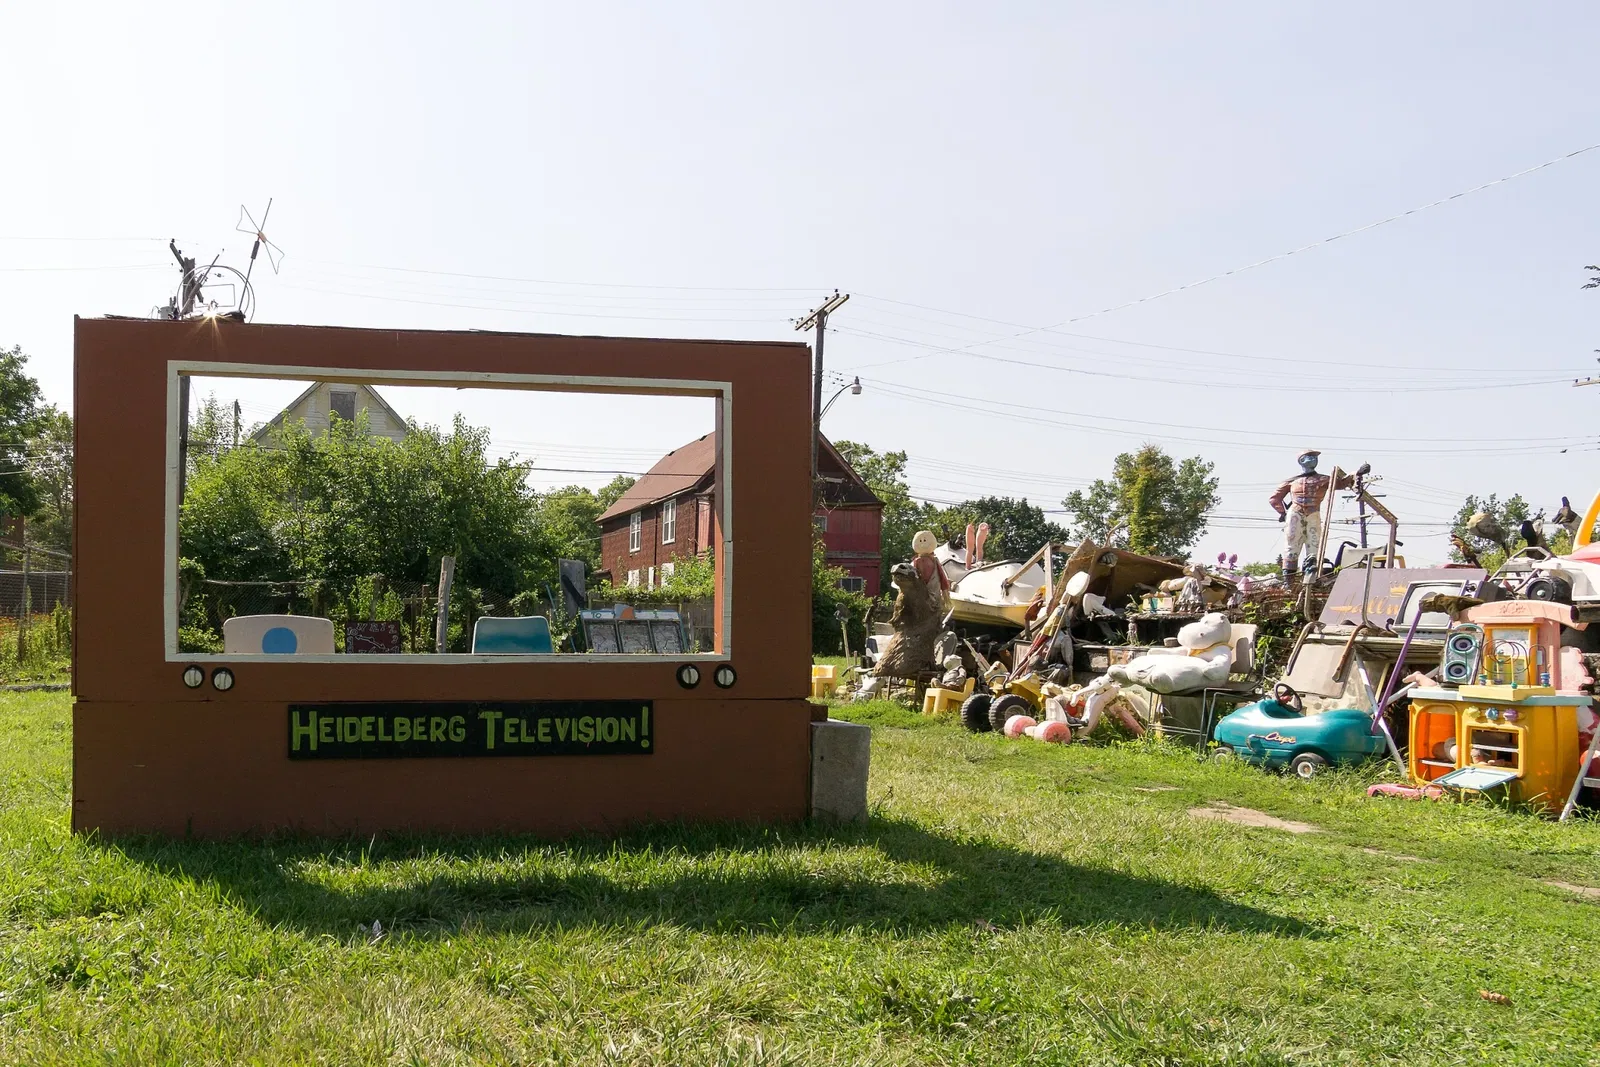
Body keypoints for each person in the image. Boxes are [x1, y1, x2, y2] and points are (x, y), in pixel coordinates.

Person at [1268, 450, 1368, 583]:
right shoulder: (1293, 481)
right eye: (1309, 457)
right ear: (1301, 460)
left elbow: (1342, 483)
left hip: (1314, 514)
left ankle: (1311, 578)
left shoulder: (1323, 479)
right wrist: (1282, 513)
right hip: (1295, 514)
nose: (1313, 459)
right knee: (1292, 545)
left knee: (1314, 544)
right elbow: (1274, 498)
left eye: (1315, 457)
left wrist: (1357, 473)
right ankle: (1289, 582)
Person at [911, 529, 951, 612]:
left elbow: (942, 575)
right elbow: (913, 576)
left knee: (934, 609)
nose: (923, 543)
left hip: (934, 591)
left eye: (925, 540)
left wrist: (945, 591)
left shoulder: (935, 560)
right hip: (921, 591)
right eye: (920, 541)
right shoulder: (916, 561)